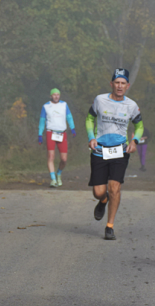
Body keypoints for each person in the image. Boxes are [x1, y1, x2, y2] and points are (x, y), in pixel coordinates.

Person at [86, 68, 144, 240]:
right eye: (117, 82)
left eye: (123, 83)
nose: (119, 86)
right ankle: (102, 201)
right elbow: (90, 118)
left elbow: (139, 126)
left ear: (127, 85)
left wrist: (135, 141)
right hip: (99, 151)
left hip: (120, 151)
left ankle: (109, 226)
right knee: (98, 192)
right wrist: (91, 137)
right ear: (111, 84)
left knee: (114, 188)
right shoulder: (100, 100)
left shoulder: (132, 106)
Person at [38, 88, 76, 187]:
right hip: (50, 132)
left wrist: (72, 128)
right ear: (51, 96)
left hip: (62, 133)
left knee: (64, 159)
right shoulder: (46, 106)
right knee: (51, 156)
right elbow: (42, 121)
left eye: (57, 95)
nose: (56, 96)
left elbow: (69, 117)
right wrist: (40, 134)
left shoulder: (64, 105)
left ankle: (58, 173)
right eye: (54, 95)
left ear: (59, 96)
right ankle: (53, 180)